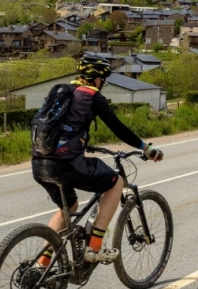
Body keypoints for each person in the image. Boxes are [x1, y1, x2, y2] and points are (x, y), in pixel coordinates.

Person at [31, 55, 164, 264]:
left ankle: (41, 265)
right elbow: (117, 127)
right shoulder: (92, 96)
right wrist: (145, 148)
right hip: (66, 164)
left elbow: (59, 127)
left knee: (70, 207)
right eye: (103, 79)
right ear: (97, 79)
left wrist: (82, 144)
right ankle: (94, 249)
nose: (103, 84)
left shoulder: (61, 91)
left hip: (39, 162)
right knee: (116, 182)